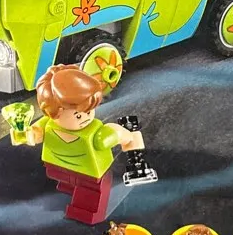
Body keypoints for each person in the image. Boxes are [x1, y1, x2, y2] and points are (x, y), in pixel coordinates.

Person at [13, 64, 145, 224]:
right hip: (62, 168)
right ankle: (75, 194)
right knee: (79, 186)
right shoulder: (50, 123)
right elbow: (37, 132)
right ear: (53, 113)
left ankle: (84, 208)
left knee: (89, 192)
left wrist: (124, 136)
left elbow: (112, 135)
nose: (86, 117)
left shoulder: (94, 133)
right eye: (78, 115)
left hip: (84, 173)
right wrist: (29, 134)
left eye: (89, 111)